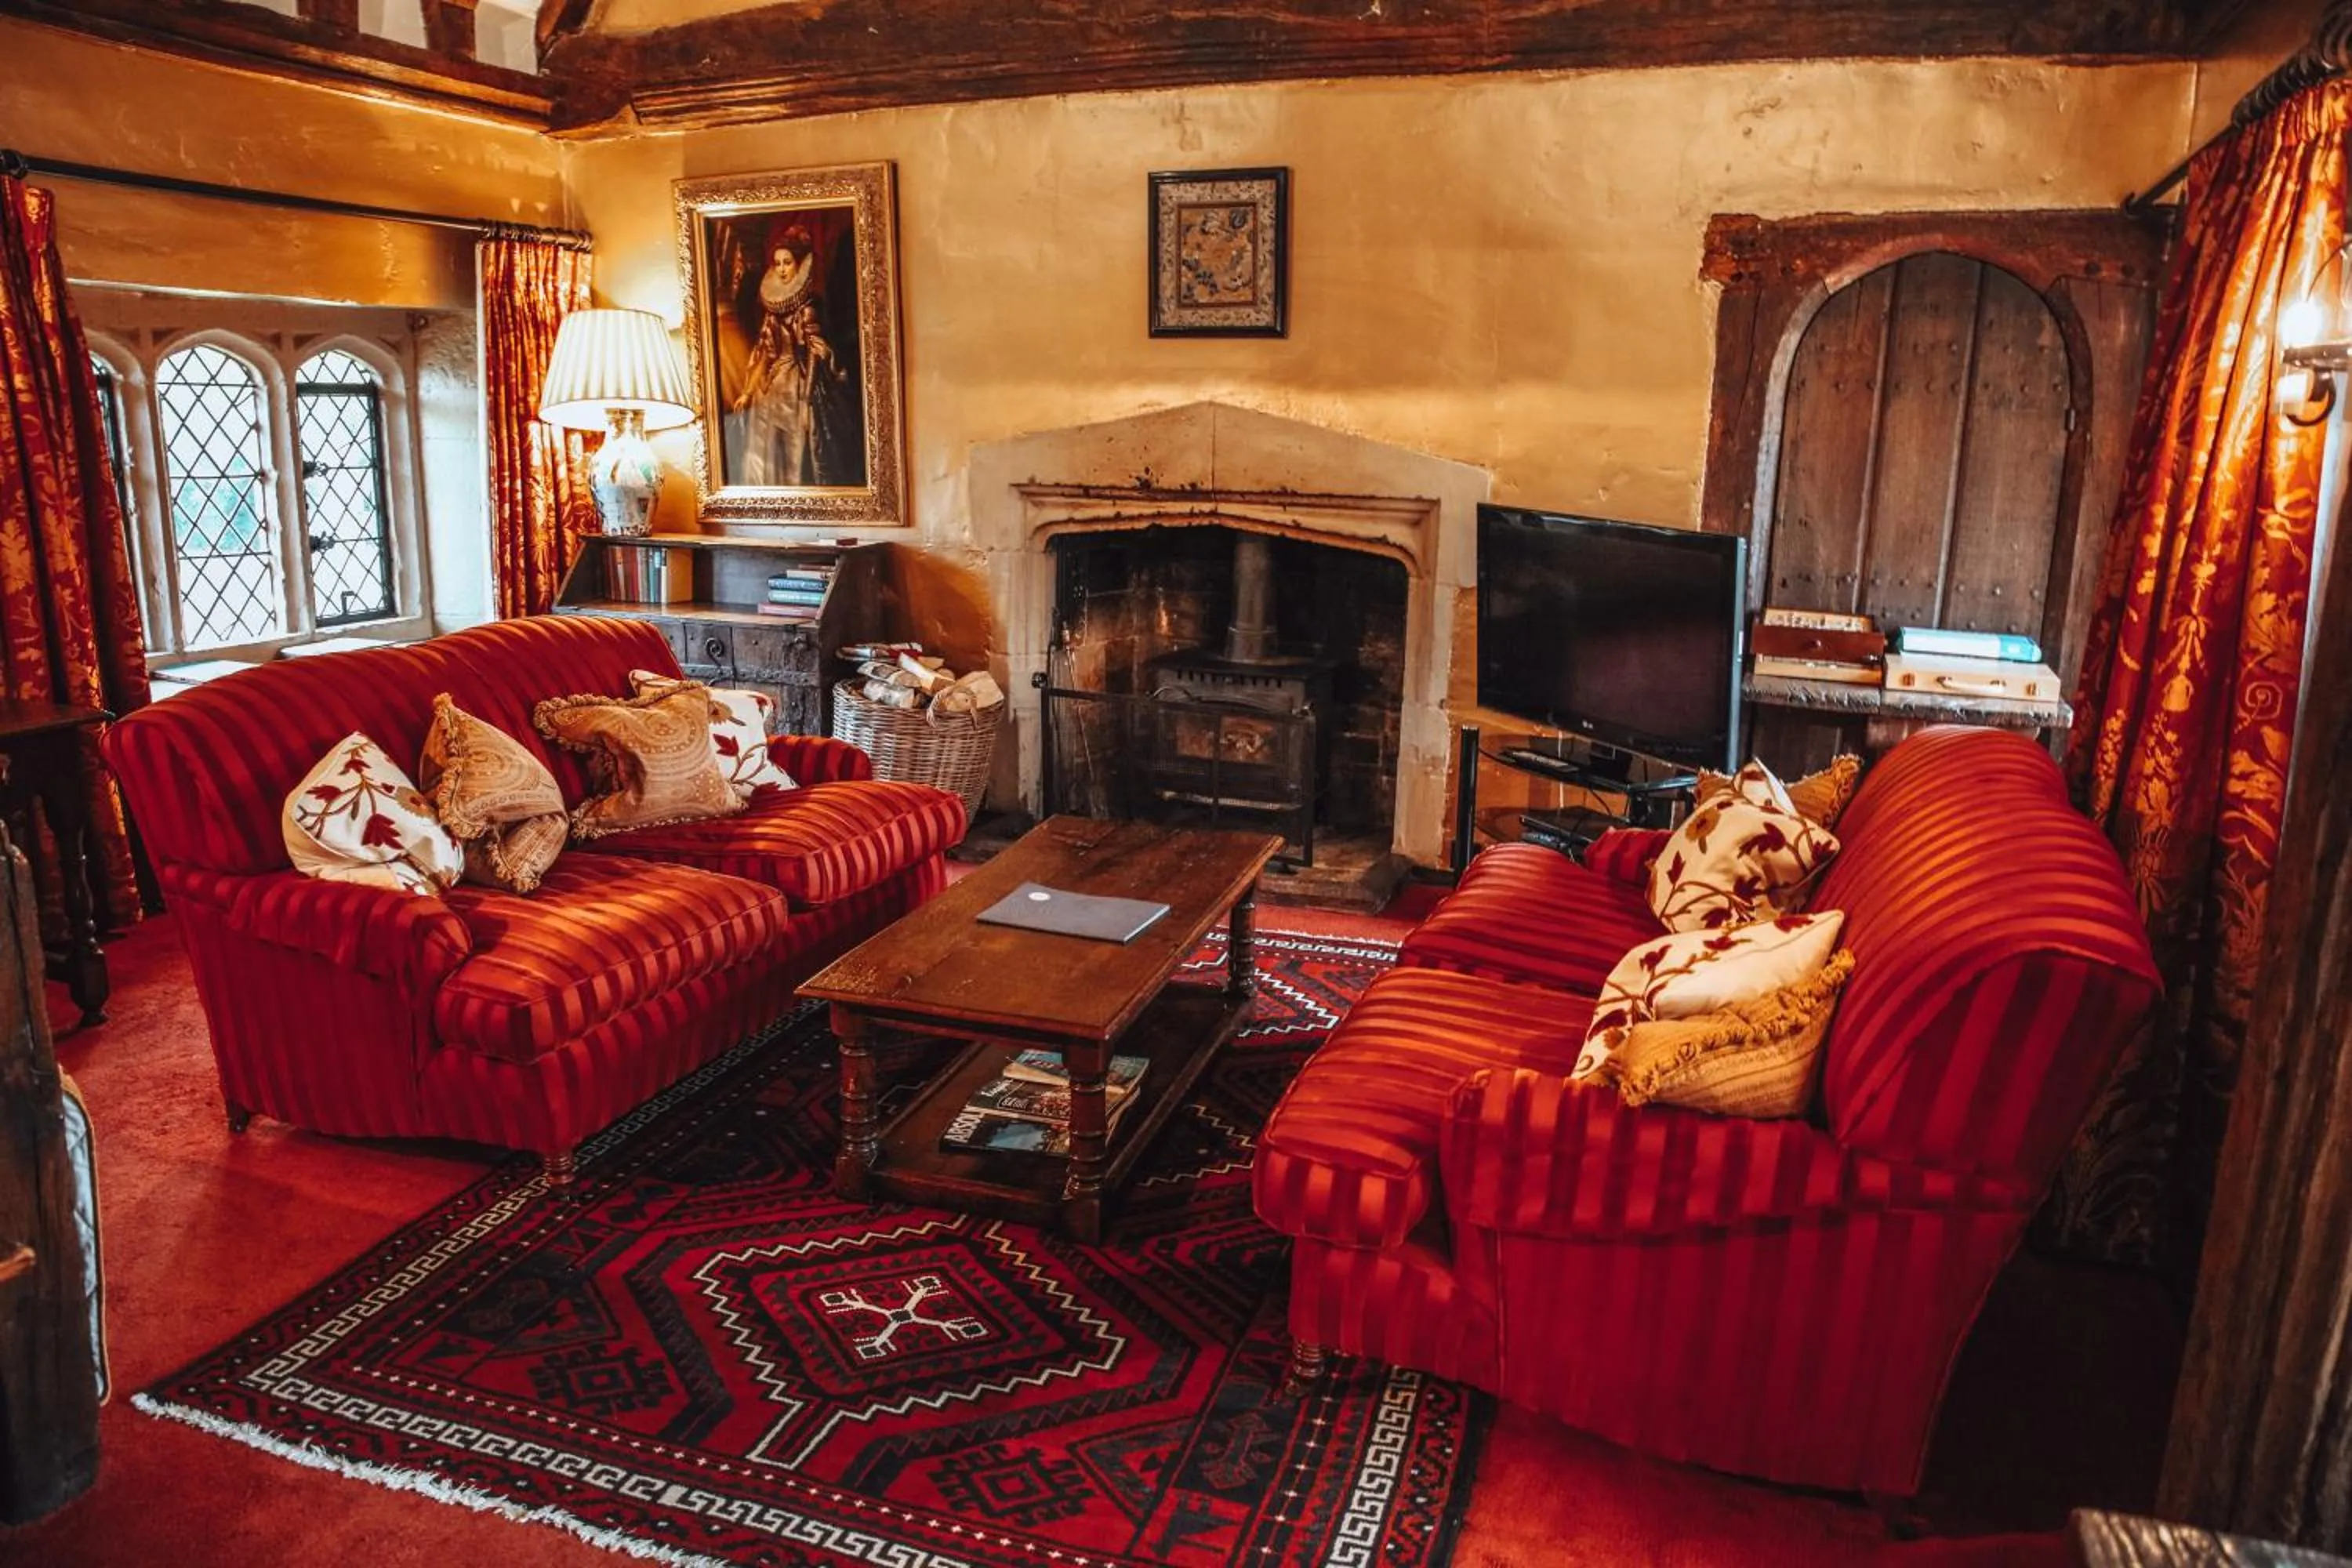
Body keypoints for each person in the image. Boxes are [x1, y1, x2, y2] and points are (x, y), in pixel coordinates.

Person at [728, 226, 856, 486]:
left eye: (788, 262)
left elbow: (814, 356)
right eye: (777, 264)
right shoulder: (771, 315)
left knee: (797, 446)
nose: (783, 269)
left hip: (797, 386)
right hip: (773, 387)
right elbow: (764, 353)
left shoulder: (808, 310)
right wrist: (748, 392)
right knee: (767, 447)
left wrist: (808, 401)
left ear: (799, 265)